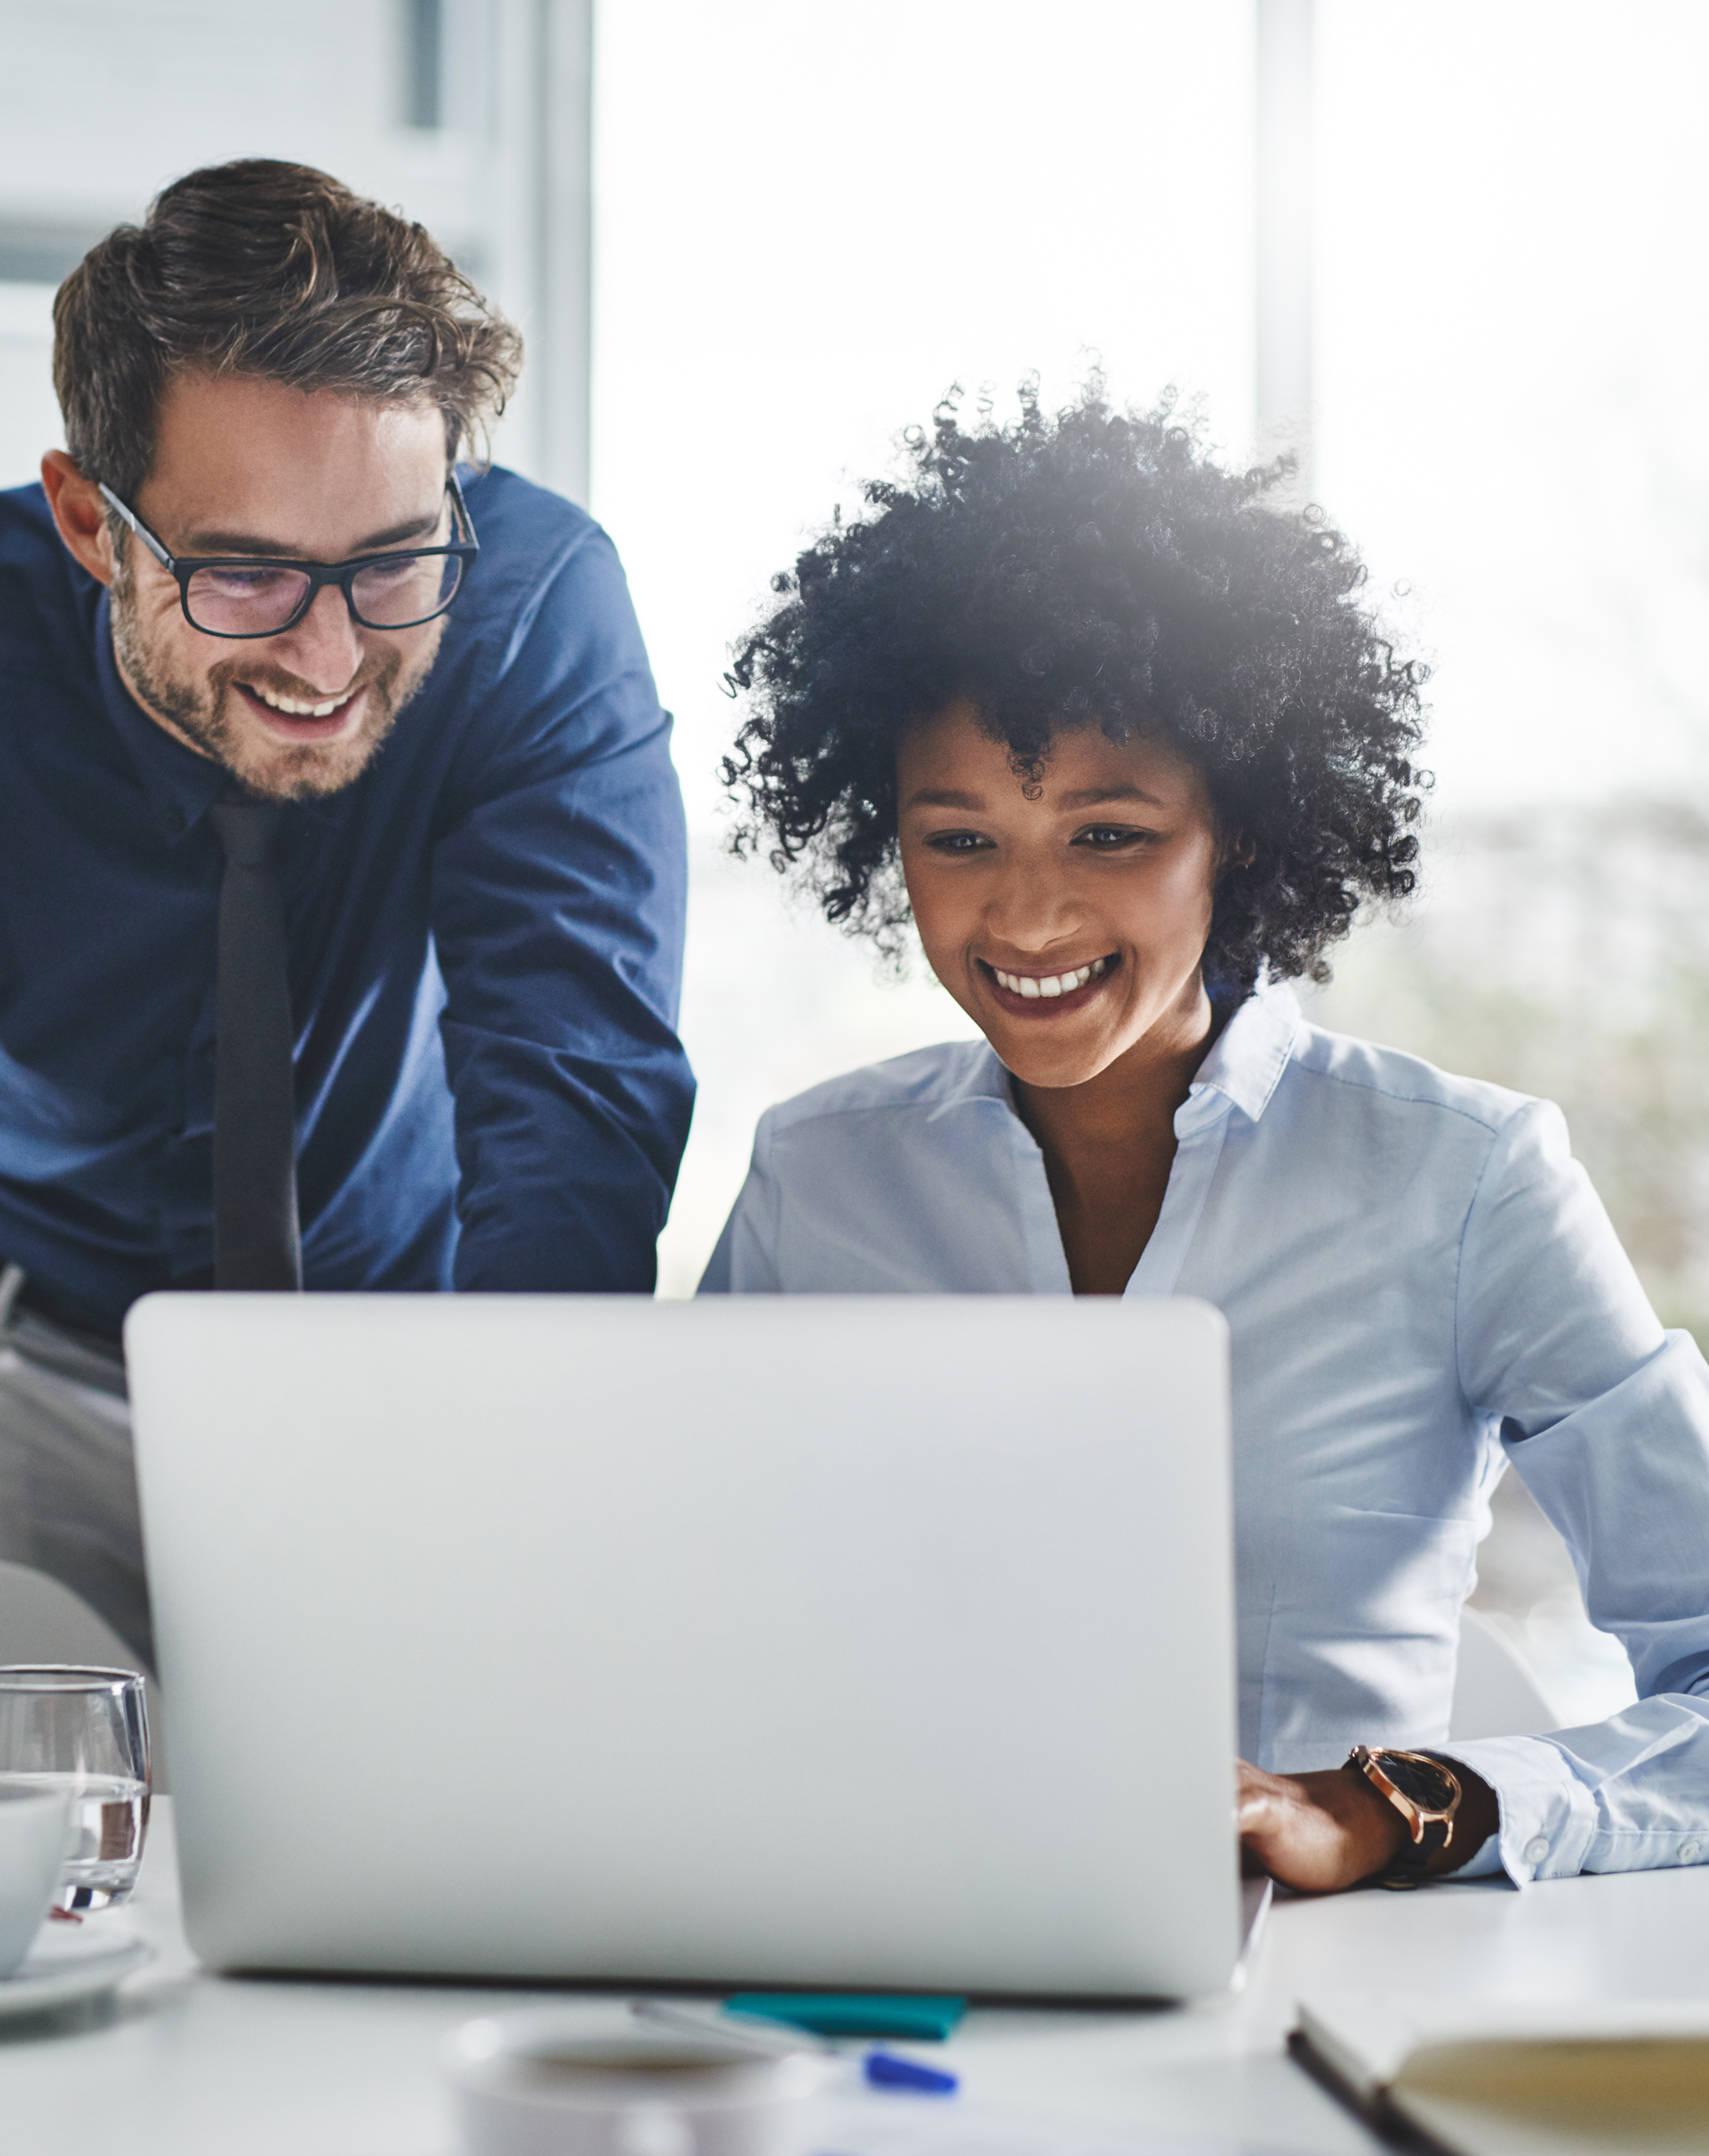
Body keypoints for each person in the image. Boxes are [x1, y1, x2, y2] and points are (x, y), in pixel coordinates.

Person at [0, 159, 691, 1712]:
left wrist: (510, 1510)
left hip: (420, 1360)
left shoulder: (531, 611)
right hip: (35, 1369)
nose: (330, 653)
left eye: (389, 560)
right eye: (243, 571)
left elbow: (570, 1105)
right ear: (86, 522)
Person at [705, 382, 1709, 1891]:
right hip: (880, 1946)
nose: (1025, 917)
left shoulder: (1463, 1181)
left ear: (1236, 825)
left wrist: (1386, 1808)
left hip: (1298, 2000)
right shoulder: (815, 1176)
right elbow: (676, 1624)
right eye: (957, 837)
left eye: (1109, 834)